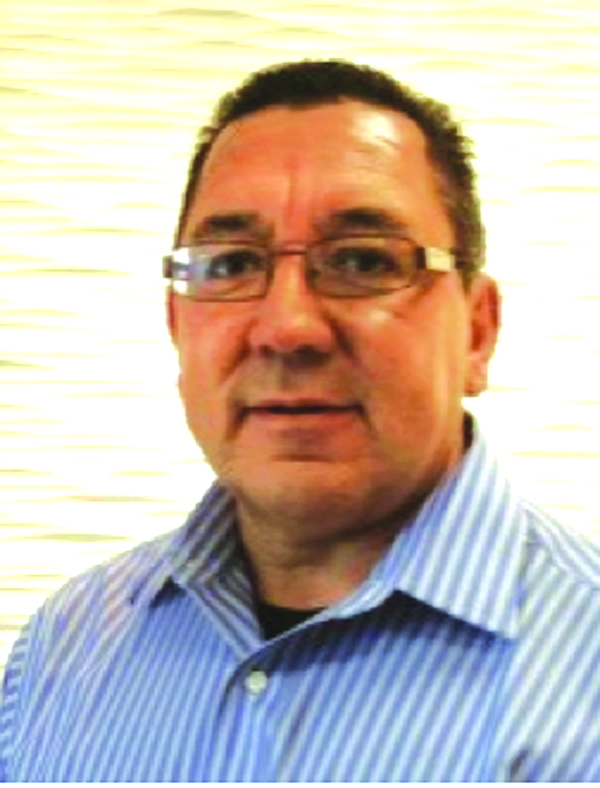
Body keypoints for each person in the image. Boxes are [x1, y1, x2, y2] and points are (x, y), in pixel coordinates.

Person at [2, 59, 600, 783]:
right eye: (231, 265)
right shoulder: (65, 648)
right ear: (176, 328)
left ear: (477, 332)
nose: (286, 328)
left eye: (363, 261)